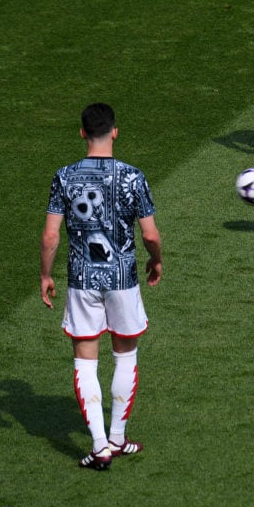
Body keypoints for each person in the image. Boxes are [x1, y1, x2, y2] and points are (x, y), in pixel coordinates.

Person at [40, 103, 163, 469]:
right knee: (125, 356)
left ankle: (99, 446)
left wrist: (46, 275)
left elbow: (50, 236)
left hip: (81, 279)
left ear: (82, 134)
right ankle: (117, 438)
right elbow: (150, 234)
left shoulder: (64, 177)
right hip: (123, 279)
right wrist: (156, 259)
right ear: (114, 131)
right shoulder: (133, 176)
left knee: (85, 361)